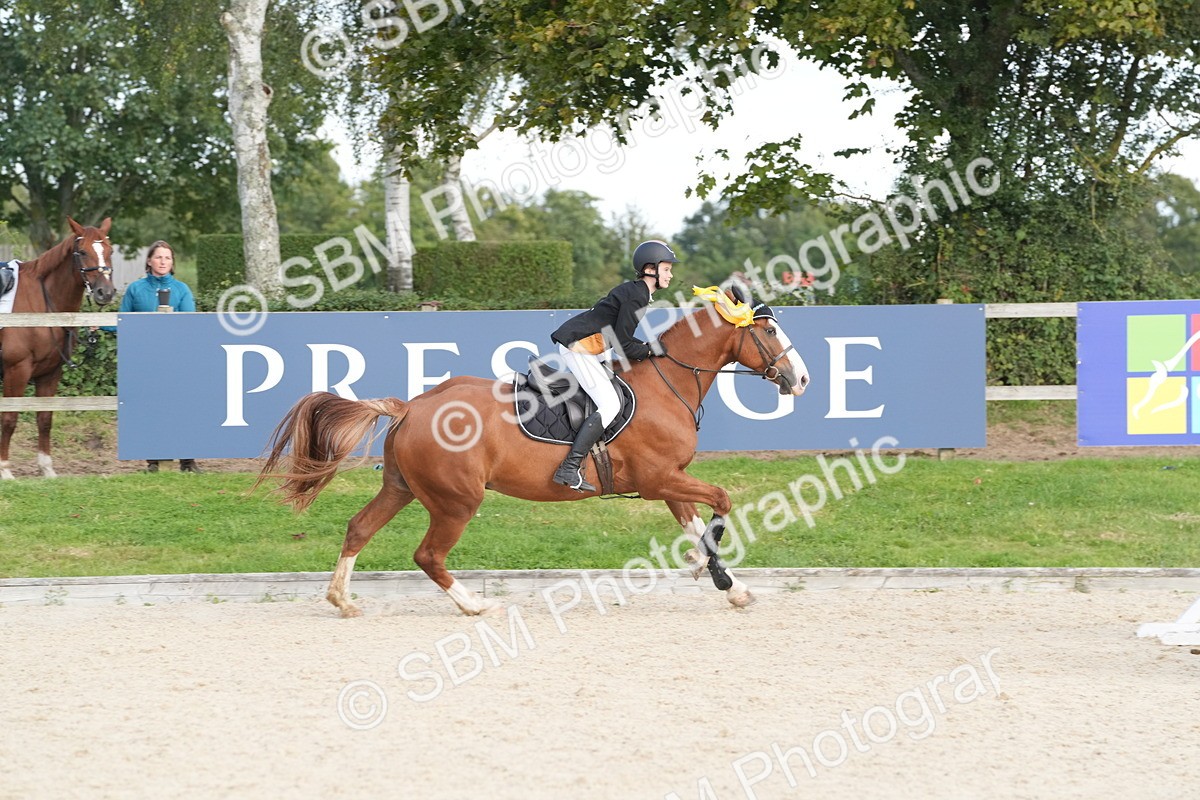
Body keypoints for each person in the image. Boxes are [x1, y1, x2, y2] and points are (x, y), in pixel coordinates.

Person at [548, 240, 678, 492]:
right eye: (667, 269)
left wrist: (648, 347)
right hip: (579, 349)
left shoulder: (638, 292)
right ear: (650, 268)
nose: (670, 274)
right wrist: (652, 349)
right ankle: (569, 467)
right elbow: (624, 346)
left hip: (592, 349)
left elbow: (620, 339)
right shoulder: (638, 295)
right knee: (610, 404)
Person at [118, 240, 201, 474]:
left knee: (182, 407)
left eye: (167, 258)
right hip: (146, 360)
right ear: (149, 261)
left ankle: (187, 460)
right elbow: (122, 320)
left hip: (177, 359)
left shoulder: (182, 290)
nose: (163, 261)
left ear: (172, 262)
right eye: (158, 257)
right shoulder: (135, 289)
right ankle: (154, 461)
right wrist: (100, 326)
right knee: (150, 407)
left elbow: (189, 323)